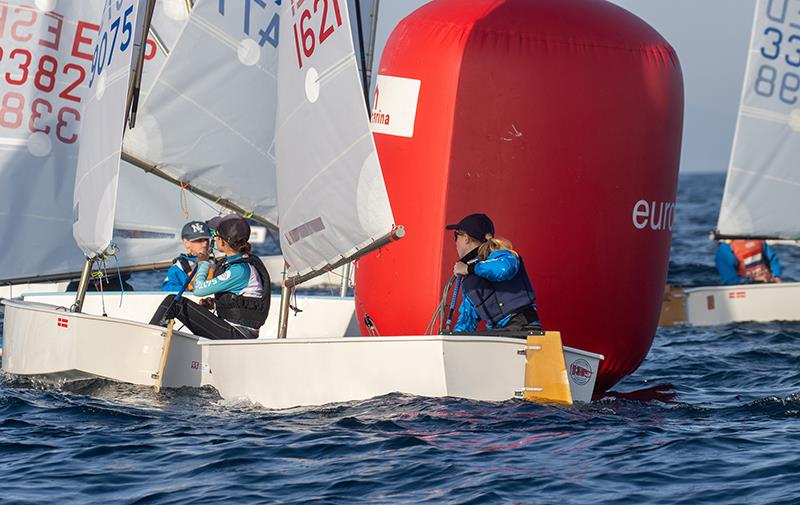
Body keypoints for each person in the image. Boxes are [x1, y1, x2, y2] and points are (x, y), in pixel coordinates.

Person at [149, 214, 271, 340]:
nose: (213, 239)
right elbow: (243, 298)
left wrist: (203, 263)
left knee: (174, 302)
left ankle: (149, 341)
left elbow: (199, 289)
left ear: (223, 241)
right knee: (176, 303)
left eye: (216, 236)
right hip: (235, 329)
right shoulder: (243, 262)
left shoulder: (239, 270)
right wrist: (214, 303)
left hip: (238, 334)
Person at [446, 213, 540, 333]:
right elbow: (467, 320)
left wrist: (469, 269)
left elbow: (503, 269)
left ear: (465, 238)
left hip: (523, 327)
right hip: (500, 333)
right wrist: (452, 339)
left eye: (456, 236)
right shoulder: (469, 281)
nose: (455, 243)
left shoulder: (502, 255)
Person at [161, 221, 215, 292]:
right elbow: (167, 288)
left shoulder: (215, 263)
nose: (205, 244)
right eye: (199, 240)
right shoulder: (179, 267)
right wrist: (187, 290)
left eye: (206, 239)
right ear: (186, 243)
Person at [715, 239, 782, 285]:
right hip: (744, 288)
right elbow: (729, 280)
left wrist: (776, 276)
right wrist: (753, 280)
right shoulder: (725, 249)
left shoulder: (758, 240)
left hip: (767, 283)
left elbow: (772, 259)